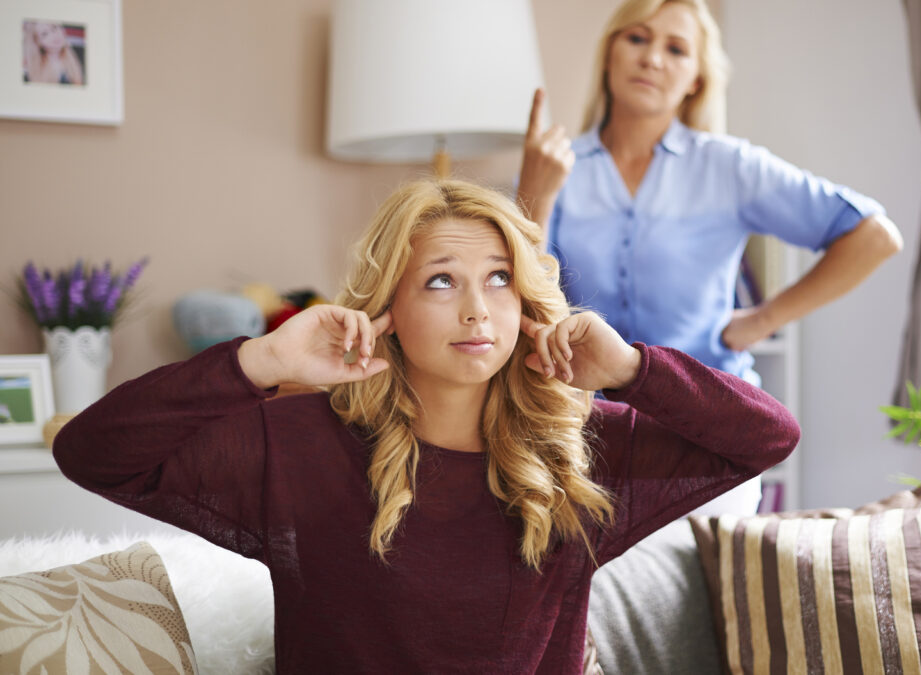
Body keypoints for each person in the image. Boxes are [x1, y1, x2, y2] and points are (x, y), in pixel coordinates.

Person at [53, 179, 799, 673]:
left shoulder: (582, 449)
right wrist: (259, 358)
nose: (477, 308)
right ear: (390, 309)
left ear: (526, 304)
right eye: (442, 280)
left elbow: (769, 436)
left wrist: (636, 369)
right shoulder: (300, 443)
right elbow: (93, 452)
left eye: (499, 278)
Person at [516, 0, 902, 515]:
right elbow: (524, 298)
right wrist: (534, 194)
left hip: (710, 430)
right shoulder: (556, 167)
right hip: (586, 435)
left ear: (696, 77)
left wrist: (764, 320)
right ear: (609, 52)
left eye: (675, 49)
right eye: (637, 38)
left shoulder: (730, 167)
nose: (652, 58)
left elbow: (874, 235)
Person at [23, 21, 85, 86]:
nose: (54, 35)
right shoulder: (30, 73)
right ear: (37, 42)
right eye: (45, 34)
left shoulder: (81, 54)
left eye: (54, 28)